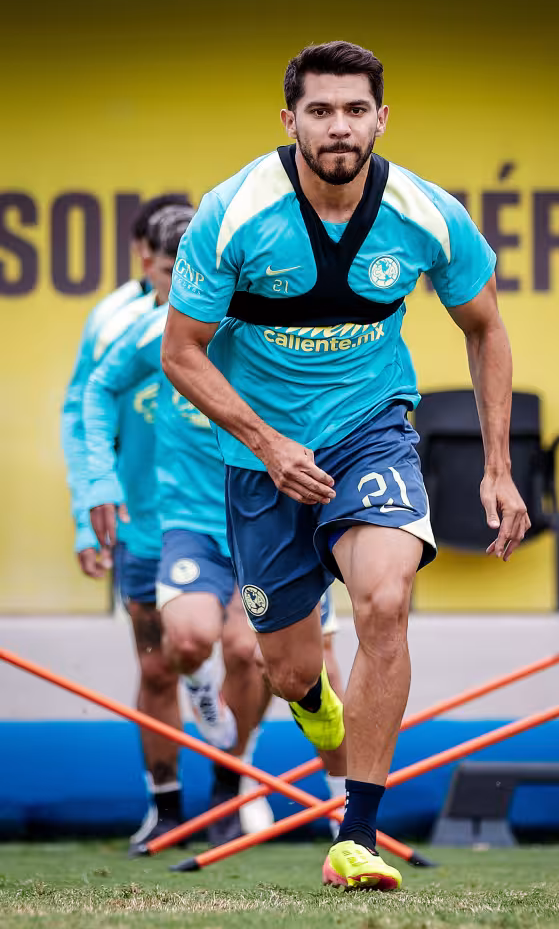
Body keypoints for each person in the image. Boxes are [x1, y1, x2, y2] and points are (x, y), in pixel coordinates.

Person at [161, 40, 530, 890]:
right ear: (289, 119)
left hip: (372, 430)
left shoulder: (426, 213)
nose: (339, 127)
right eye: (321, 110)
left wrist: (498, 469)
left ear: (381, 119)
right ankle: (321, 710)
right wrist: (266, 443)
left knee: (386, 600)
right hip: (262, 456)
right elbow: (182, 352)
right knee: (287, 671)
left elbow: (486, 328)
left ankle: (353, 834)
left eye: (356, 110)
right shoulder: (236, 211)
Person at [86, 287, 347, 846]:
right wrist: (94, 483)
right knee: (183, 644)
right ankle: (210, 721)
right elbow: (93, 391)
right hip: (192, 523)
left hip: (277, 514)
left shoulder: (279, 326)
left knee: (278, 659)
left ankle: (336, 800)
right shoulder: (152, 331)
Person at [64, 201, 194, 847]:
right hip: (143, 519)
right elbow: (81, 409)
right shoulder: (118, 322)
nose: (172, 276)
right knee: (157, 668)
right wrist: (89, 510)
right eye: (165, 262)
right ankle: (168, 809)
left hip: (221, 513)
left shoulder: (235, 311)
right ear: (146, 256)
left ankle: (232, 794)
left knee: (250, 658)